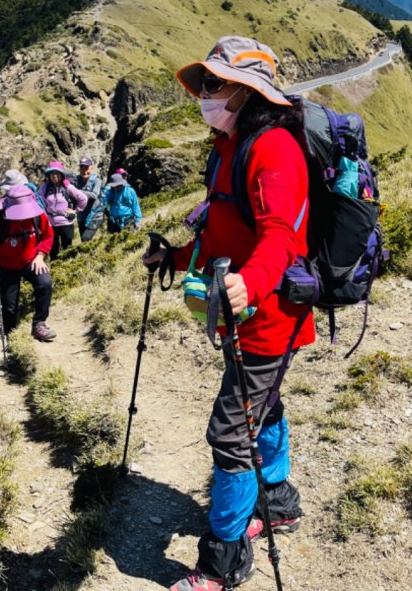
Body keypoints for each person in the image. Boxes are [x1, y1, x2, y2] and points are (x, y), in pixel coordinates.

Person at [144, 36, 313, 591]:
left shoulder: (274, 150)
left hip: (267, 317)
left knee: (230, 434)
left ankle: (224, 563)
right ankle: (280, 504)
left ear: (249, 91)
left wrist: (250, 284)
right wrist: (173, 258)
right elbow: (223, 227)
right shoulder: (229, 144)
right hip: (251, 315)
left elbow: (281, 238)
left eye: (215, 85)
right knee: (261, 408)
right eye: (206, 84)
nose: (205, 95)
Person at [0, 184, 57, 342]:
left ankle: (39, 324)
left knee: (45, 284)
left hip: (31, 261)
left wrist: (40, 256)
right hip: (6, 266)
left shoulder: (37, 216)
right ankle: (11, 335)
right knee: (9, 306)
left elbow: (47, 235)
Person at [38, 161, 88, 260]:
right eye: (52, 174)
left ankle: (67, 268)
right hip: (51, 223)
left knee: (67, 248)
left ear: (61, 175)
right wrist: (45, 208)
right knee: (53, 249)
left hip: (66, 223)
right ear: (49, 175)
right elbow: (38, 198)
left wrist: (76, 211)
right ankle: (55, 270)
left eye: (57, 173)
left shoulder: (67, 186)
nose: (54, 176)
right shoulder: (46, 186)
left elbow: (83, 198)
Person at [72, 157, 105, 241]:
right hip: (81, 215)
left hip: (95, 215)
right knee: (84, 240)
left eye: (86, 168)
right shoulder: (76, 180)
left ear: (91, 168)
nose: (84, 171)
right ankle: (89, 254)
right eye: (82, 168)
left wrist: (78, 192)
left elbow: (94, 195)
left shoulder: (97, 180)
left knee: (86, 238)